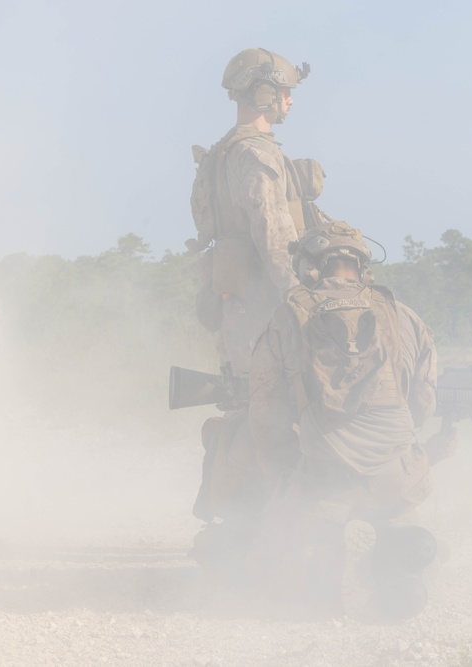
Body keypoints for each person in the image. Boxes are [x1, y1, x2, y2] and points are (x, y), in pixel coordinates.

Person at [247, 221, 457, 618]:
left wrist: (280, 475)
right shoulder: (405, 316)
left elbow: (264, 416)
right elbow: (424, 402)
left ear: (308, 268)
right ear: (362, 267)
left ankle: (323, 591)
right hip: (396, 477)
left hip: (324, 477)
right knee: (405, 527)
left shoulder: (285, 318)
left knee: (286, 553)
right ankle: (397, 581)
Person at [187, 48, 328, 573]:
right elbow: (275, 238)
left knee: (250, 411)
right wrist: (306, 304)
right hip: (269, 314)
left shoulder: (223, 153)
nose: (290, 100)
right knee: (274, 417)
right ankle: (268, 533)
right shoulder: (257, 155)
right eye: (285, 91)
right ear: (266, 93)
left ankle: (239, 524)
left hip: (238, 312)